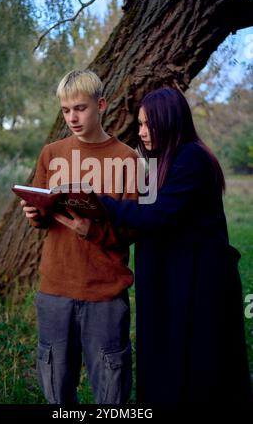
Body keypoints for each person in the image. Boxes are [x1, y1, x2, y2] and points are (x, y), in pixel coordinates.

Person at [64, 87, 253, 404]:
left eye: (149, 124)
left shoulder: (191, 157)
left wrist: (97, 201)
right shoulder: (162, 161)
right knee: (170, 361)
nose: (142, 132)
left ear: (171, 122)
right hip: (176, 279)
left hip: (200, 284)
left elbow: (157, 215)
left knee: (201, 368)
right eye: (140, 125)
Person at [21, 69, 138, 404]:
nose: (72, 117)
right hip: (55, 289)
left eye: (80, 108)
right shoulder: (51, 154)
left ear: (100, 105)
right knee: (56, 386)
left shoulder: (127, 159)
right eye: (65, 110)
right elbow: (44, 216)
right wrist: (35, 215)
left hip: (105, 292)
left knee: (111, 389)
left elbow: (134, 229)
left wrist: (95, 231)